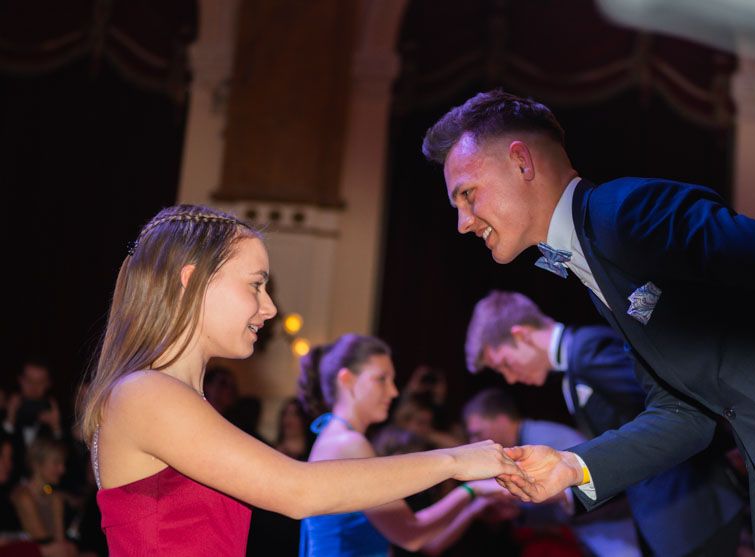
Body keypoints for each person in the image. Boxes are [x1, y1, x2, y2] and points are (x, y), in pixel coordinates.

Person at [422, 90, 755, 556]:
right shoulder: (591, 263)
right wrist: (571, 466)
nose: (463, 222)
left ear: (522, 162)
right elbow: (683, 415)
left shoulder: (626, 214)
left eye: (467, 195)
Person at [77, 205, 519, 556]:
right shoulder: (145, 393)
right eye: (256, 285)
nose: (269, 308)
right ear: (192, 281)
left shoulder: (171, 398)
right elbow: (299, 491)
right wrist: (457, 461)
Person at [466, 290, 745, 556]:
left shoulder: (588, 352)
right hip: (669, 520)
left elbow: (678, 410)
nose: (511, 379)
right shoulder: (578, 361)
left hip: (691, 511)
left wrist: (726, 452)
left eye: (504, 364)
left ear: (522, 335)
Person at [297, 334, 509, 557]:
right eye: (382, 379)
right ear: (347, 380)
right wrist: (472, 489)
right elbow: (412, 533)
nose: (394, 392)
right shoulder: (348, 444)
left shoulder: (335, 436)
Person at [463, 388, 642, 557]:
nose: (475, 441)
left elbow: (595, 486)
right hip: (597, 526)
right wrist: (521, 513)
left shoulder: (542, 440)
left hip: (612, 524)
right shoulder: (530, 438)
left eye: (478, 433)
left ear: (501, 420)